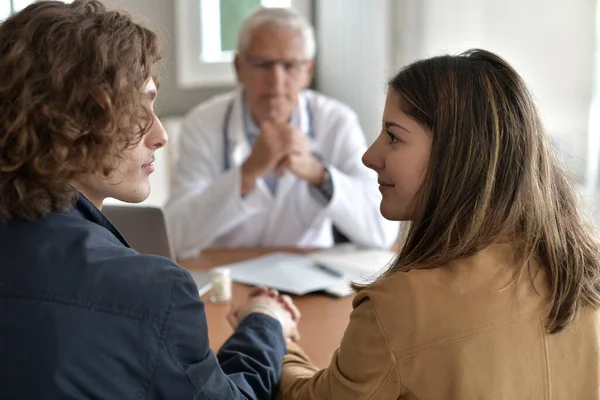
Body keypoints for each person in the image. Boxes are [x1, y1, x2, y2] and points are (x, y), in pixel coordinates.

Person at [0, 1, 301, 398]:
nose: (160, 134)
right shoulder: (152, 294)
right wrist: (265, 323)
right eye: (139, 105)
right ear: (71, 120)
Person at [271, 49, 600, 399]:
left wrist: (276, 337)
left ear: (456, 153)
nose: (370, 156)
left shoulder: (399, 306)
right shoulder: (585, 270)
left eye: (393, 136)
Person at [165, 7, 398, 259]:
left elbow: (382, 230)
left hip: (308, 278)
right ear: (238, 68)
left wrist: (319, 174)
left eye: (290, 66)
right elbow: (173, 236)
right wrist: (248, 173)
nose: (276, 81)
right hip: (226, 274)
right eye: (263, 65)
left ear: (308, 72)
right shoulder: (203, 123)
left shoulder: (336, 121)